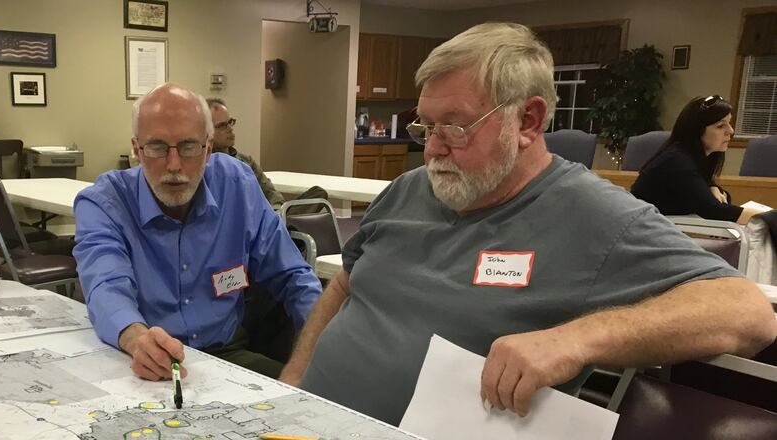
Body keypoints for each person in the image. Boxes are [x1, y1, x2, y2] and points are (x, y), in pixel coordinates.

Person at [277, 23, 777, 426]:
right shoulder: (411, 188)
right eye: (424, 126)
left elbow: (749, 313)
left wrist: (575, 341)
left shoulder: (593, 214)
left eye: (454, 125)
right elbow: (346, 284)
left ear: (529, 122)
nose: (431, 148)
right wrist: (294, 385)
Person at [74, 83, 321, 381]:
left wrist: (316, 349)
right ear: (137, 151)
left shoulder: (236, 184)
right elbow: (106, 286)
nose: (174, 165)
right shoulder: (103, 202)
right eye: (157, 147)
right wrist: (134, 338)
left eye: (189, 147)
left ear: (208, 148)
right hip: (140, 361)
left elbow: (293, 275)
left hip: (228, 355)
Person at [631, 95, 761, 224]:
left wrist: (712, 187)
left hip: (664, 227)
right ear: (697, 130)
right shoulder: (676, 161)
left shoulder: (695, 156)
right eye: (720, 126)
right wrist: (769, 218)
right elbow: (714, 210)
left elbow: (716, 200)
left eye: (729, 123)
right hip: (641, 229)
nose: (731, 131)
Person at [207, 98, 327, 213]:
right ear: (207, 131)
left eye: (230, 122)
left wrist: (276, 212)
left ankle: (284, 224)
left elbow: (271, 193)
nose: (230, 129)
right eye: (222, 125)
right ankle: (287, 225)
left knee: (318, 193)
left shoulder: (246, 162)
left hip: (267, 217)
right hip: (244, 221)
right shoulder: (205, 166)